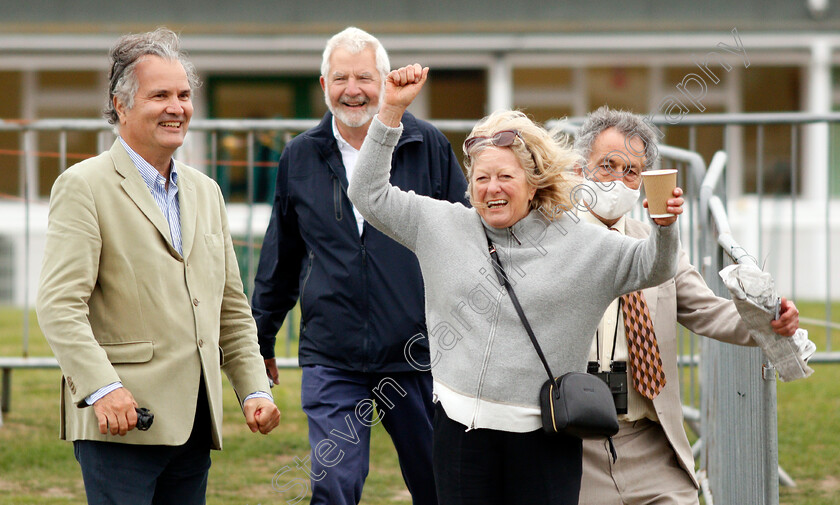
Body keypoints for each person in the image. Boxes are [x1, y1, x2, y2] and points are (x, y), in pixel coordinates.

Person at [348, 64, 685, 505]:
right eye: (481, 177)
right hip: (460, 437)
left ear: (534, 184)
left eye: (506, 176)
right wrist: (390, 110)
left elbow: (653, 267)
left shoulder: (581, 241)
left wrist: (664, 226)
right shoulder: (441, 225)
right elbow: (367, 193)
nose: (492, 189)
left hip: (544, 441)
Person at [35, 28, 280, 505]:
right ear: (120, 105)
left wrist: (254, 391)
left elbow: (231, 306)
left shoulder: (206, 191)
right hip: (122, 420)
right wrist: (103, 389)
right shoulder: (82, 186)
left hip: (193, 423)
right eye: (160, 95)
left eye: (184, 95)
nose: (177, 107)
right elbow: (59, 305)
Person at [251, 28, 467, 505]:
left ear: (385, 81)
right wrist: (260, 341)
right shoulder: (300, 156)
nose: (353, 89)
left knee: (441, 486)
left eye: (365, 77)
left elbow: (466, 238)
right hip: (333, 357)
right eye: (341, 77)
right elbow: (281, 259)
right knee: (333, 487)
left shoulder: (427, 145)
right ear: (323, 82)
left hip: (418, 355)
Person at [572, 105, 800, 505]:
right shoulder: (550, 241)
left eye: (631, 172)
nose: (619, 180)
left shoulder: (659, 244)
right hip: (574, 444)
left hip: (649, 441)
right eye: (607, 165)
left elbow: (707, 310)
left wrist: (771, 319)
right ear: (580, 170)